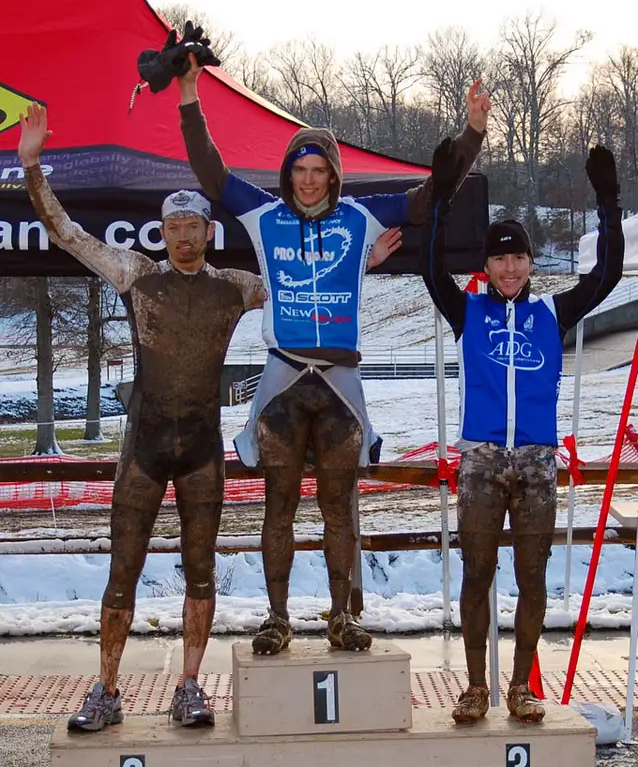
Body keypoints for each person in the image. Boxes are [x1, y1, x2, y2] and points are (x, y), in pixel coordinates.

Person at [178, 54, 490, 654]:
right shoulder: (262, 215)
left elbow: (432, 196)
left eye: (320, 169)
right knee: (279, 505)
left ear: (334, 174)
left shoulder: (362, 217)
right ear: (288, 172)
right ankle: (276, 617)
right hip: (283, 376)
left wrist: (472, 131)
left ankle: (342, 617)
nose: (309, 180)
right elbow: (211, 174)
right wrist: (190, 95)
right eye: (301, 168)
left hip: (342, 379)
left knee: (340, 508)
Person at [18, 102, 265, 731]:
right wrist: (31, 167)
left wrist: (363, 260)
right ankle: (106, 688)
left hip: (204, 451)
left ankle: (188, 685)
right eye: (173, 226)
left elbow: (304, 282)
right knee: (121, 570)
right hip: (145, 449)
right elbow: (68, 234)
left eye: (193, 226)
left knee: (202, 570)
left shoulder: (235, 286)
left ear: (209, 232)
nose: (183, 236)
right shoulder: (137, 274)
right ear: (162, 232)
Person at [421, 137, 625, 723]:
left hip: (536, 462)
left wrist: (606, 199)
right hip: (481, 462)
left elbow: (607, 273)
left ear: (531, 264)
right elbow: (433, 265)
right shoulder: (469, 312)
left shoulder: (551, 314)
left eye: (519, 258)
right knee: (478, 573)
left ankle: (522, 688)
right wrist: (440, 194)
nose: (509, 267)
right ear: (486, 266)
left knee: (531, 576)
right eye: (499, 258)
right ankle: (475, 687)